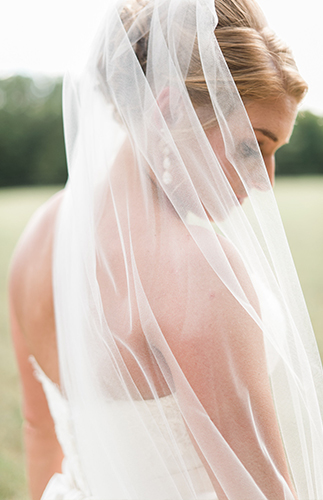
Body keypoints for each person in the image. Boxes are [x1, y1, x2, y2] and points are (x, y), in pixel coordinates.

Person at [9, 0, 323, 498]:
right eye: (251, 146)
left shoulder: (40, 237)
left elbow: (38, 432)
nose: (265, 181)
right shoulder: (200, 273)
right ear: (169, 108)